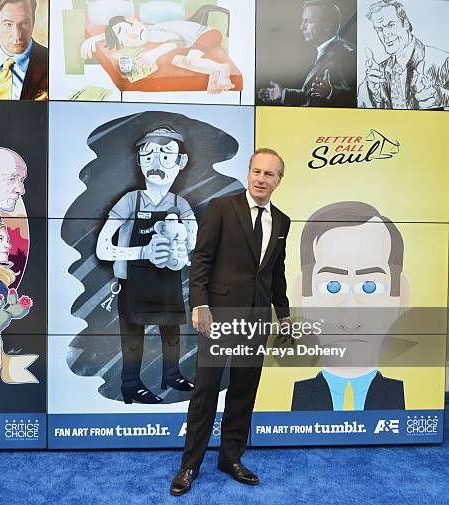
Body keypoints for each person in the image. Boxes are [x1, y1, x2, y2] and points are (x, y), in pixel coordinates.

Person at [170, 148, 291, 496]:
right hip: (219, 317)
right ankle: (189, 466)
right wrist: (200, 305)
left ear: (279, 180)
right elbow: (202, 260)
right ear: (249, 172)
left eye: (270, 174)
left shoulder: (282, 221)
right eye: (257, 171)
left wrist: (282, 315)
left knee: (243, 392)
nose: (261, 179)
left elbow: (276, 273)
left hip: (256, 319)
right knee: (205, 393)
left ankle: (230, 458)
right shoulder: (223, 208)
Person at [96, 126, 198, 404]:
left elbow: (193, 243)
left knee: (171, 330)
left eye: (165, 156)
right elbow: (103, 249)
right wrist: (144, 252)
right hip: (133, 282)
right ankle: (130, 384)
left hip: (168, 281)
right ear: (139, 160)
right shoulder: (130, 201)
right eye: (149, 155)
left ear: (181, 163)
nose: (155, 164)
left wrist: (180, 242)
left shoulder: (181, 204)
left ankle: (171, 374)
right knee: (132, 335)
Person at [290, 201, 407, 411]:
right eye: (332, 287)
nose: (351, 322)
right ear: (301, 298)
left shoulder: (397, 394)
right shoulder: (300, 394)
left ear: (401, 299)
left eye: (370, 287)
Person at [80, 12, 235, 94]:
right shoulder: (146, 28)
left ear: (132, 19)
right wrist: (95, 38)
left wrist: (154, 53)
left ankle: (222, 69)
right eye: (126, 41)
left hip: (206, 35)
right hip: (196, 39)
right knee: (178, 61)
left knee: (190, 61)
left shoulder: (152, 34)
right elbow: (118, 32)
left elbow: (176, 41)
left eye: (126, 30)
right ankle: (215, 73)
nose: (132, 37)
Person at [258, 0, 356, 107]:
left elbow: (356, 94)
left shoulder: (348, 53)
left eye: (308, 21)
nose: (302, 27)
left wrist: (330, 92)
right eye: (303, 21)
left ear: (327, 26)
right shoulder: (325, 51)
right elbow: (310, 96)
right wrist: (283, 94)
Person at [358, 0, 449, 109]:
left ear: (405, 23)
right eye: (379, 29)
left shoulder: (443, 61)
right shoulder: (379, 72)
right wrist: (371, 92)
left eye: (390, 25)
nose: (385, 35)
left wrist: (443, 98)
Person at [0, 0, 48, 100]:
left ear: (33, 20)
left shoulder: (51, 61)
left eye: (25, 23)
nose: (17, 36)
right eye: (8, 24)